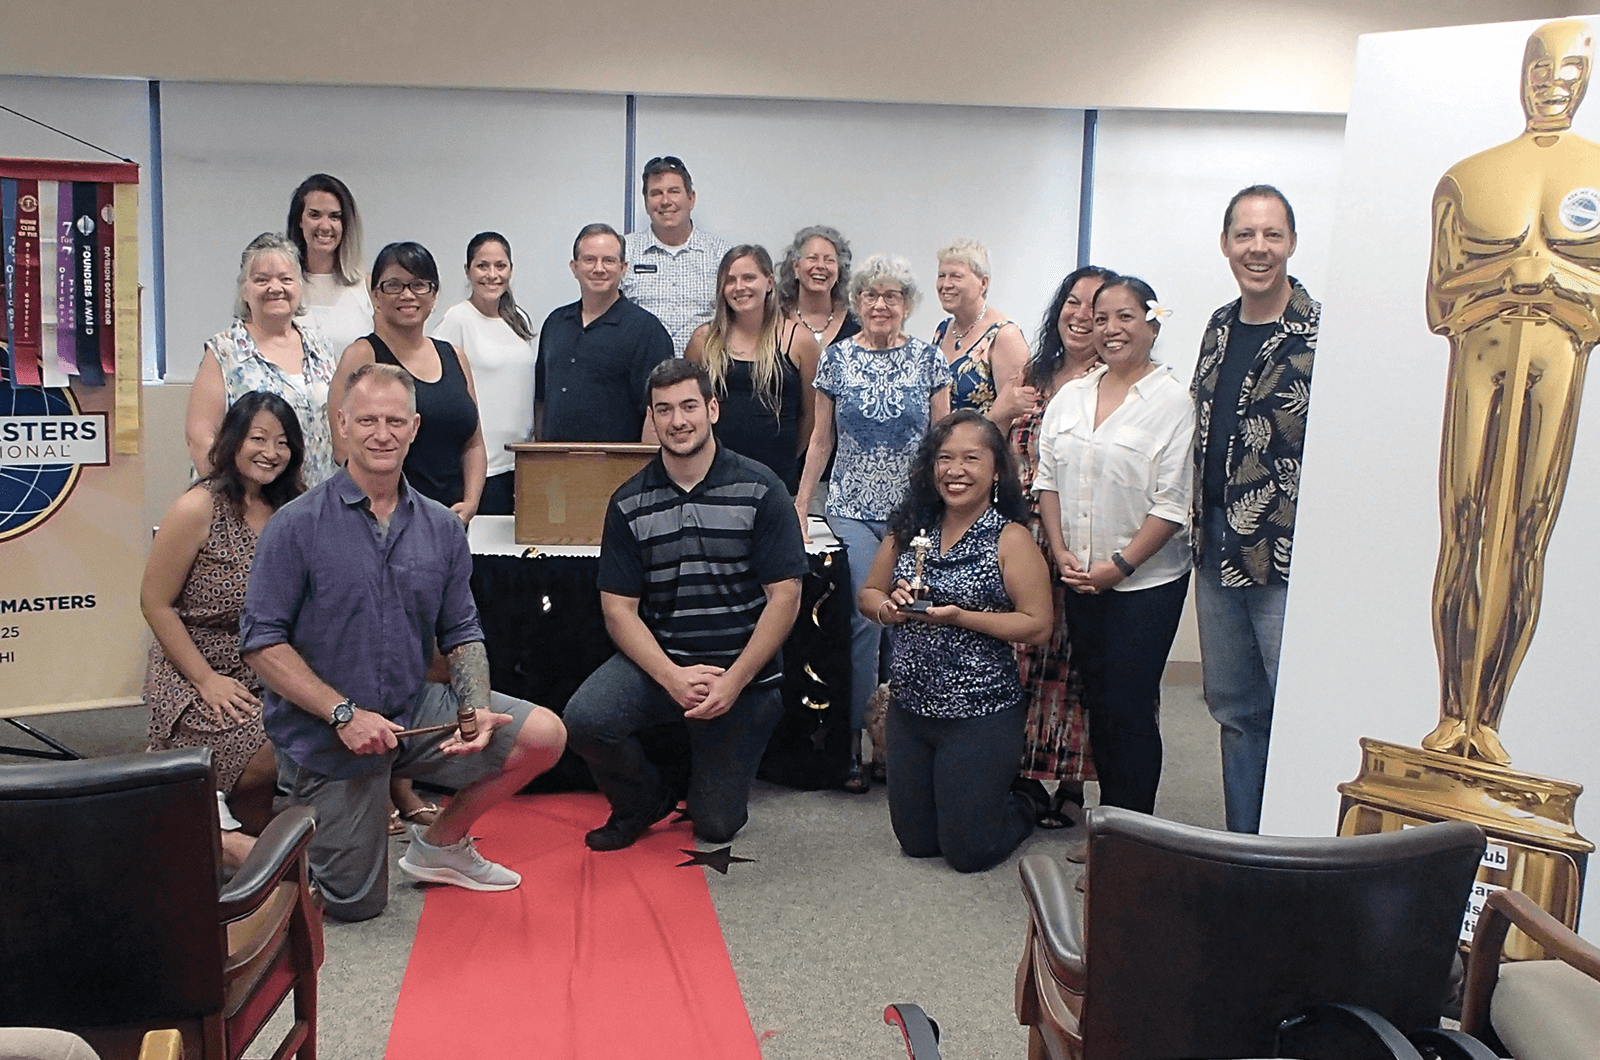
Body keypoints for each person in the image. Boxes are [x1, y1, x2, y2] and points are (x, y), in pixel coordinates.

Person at [240, 363, 567, 922]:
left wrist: (476, 704)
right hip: (329, 735)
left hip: (411, 713)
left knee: (542, 737)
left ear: (414, 427)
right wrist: (343, 714)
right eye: (367, 420)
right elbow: (261, 643)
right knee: (353, 904)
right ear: (341, 425)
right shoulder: (295, 526)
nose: (381, 433)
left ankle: (441, 846)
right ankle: (236, 844)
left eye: (395, 420)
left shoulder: (441, 527)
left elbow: (462, 632)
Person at [1426, 20, 1600, 767]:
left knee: (1526, 533)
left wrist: (1559, 280)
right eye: (1541, 66)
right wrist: (1505, 278)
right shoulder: (1467, 176)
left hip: (1558, 359)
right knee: (1463, 526)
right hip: (1481, 357)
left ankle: (1487, 714)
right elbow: (1438, 301)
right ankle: (1449, 708)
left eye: (1570, 68)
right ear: (1521, 72)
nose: (1554, 82)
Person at [562, 359, 808, 851]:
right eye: (665, 410)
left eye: (689, 406)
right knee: (585, 719)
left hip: (743, 677)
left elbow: (786, 596)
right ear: (651, 419)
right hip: (663, 666)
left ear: (712, 409)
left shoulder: (762, 489)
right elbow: (618, 610)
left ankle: (705, 780)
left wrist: (734, 681)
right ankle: (643, 800)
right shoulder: (628, 502)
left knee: (715, 826)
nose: (678, 420)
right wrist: (671, 677)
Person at [859, 410, 1052, 872]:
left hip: (980, 712)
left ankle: (1026, 798)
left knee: (968, 853)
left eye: (971, 458)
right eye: (944, 458)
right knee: (918, 843)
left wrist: (963, 617)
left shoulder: (1011, 538)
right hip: (911, 709)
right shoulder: (909, 530)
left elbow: (1038, 624)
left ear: (996, 470)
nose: (955, 471)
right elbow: (869, 593)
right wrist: (889, 609)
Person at [1036, 275, 1193, 816]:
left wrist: (1119, 566)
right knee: (1099, 704)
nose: (1110, 328)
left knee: (1129, 708)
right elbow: (1046, 481)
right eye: (1101, 318)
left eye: (1125, 316)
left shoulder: (1173, 401)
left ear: (1152, 322)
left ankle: (1131, 837)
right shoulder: (1072, 396)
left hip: (1145, 583)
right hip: (1080, 576)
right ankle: (1104, 832)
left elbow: (1172, 504)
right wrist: (1060, 554)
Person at [795, 254, 952, 792]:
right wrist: (799, 503)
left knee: (913, 617)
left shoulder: (930, 360)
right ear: (856, 302)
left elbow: (942, 444)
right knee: (867, 619)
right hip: (851, 507)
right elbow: (821, 439)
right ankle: (854, 746)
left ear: (907, 304)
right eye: (870, 296)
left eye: (892, 296)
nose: (880, 305)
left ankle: (903, 743)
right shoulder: (835, 360)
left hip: (914, 511)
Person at [1191, 185, 1319, 833]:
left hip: (1284, 552)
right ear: (1226, 244)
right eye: (1245, 235)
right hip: (1215, 545)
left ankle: (1295, 850)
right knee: (1235, 708)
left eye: (1271, 235)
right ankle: (1246, 846)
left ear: (1292, 242)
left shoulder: (1321, 334)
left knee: (1295, 706)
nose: (1258, 248)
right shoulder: (1218, 327)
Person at [145, 392, 306, 870]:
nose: (270, 452)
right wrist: (205, 680)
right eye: (258, 438)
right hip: (194, 668)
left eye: (282, 442)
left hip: (267, 665)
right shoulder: (198, 507)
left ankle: (224, 836)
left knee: (316, 727)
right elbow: (154, 604)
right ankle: (208, 833)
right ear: (234, 441)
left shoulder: (295, 510)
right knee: (274, 746)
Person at [1011, 266, 1116, 828]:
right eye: (1072, 302)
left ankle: (1074, 786)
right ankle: (1026, 776)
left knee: (1078, 663)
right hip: (1025, 540)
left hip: (1085, 542)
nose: (1080, 315)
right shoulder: (1032, 376)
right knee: (1027, 659)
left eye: (1095, 307)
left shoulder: (1117, 380)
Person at [330, 241, 487, 523]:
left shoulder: (455, 356)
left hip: (452, 520)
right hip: (384, 520)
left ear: (434, 294)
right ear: (376, 295)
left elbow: (474, 443)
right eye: (393, 285)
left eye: (419, 285)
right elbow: (343, 447)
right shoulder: (361, 355)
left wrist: (472, 501)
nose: (407, 294)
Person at [184, 233, 339, 485]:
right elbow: (200, 438)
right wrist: (235, 504)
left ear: (299, 286)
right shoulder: (225, 351)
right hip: (248, 506)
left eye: (285, 279)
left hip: (316, 503)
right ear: (245, 290)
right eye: (261, 280)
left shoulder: (321, 347)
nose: (275, 288)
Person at [686, 245, 821, 493]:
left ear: (769, 282)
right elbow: (688, 409)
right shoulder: (703, 340)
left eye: (749, 277)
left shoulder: (800, 342)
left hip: (777, 480)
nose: (740, 287)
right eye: (730, 280)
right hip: (712, 481)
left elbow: (811, 419)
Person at [537, 223, 675, 442]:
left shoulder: (646, 330)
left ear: (623, 267)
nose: (599, 269)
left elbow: (659, 411)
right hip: (554, 466)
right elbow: (542, 401)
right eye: (589, 260)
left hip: (618, 468)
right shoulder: (555, 323)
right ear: (574, 267)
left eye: (609, 260)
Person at [432, 231, 537, 516]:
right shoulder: (458, 319)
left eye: (500, 266)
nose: (492, 275)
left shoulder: (517, 320)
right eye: (482, 266)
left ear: (511, 270)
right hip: (480, 469)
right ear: (467, 270)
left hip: (519, 466)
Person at [620, 156, 729, 355]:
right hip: (638, 376)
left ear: (691, 198)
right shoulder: (622, 252)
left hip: (704, 376)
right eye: (656, 194)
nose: (665, 201)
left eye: (674, 192)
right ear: (646, 203)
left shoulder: (721, 254)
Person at [930, 240, 1033, 431]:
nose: (945, 285)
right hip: (943, 453)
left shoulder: (1004, 335)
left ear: (983, 283)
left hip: (984, 454)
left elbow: (1013, 415)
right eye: (941, 276)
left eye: (956, 277)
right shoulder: (942, 330)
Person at [287, 173, 374, 358]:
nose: (325, 226)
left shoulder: (368, 289)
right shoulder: (281, 289)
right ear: (299, 221)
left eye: (335, 217)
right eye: (314, 215)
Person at [778, 225, 861, 351]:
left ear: (839, 271)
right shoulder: (777, 319)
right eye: (812, 258)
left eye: (829, 260)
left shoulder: (857, 323)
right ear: (795, 266)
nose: (821, 266)